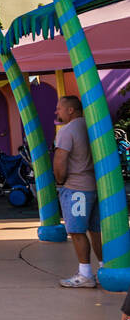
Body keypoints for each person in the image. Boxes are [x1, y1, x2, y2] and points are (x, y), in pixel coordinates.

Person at [53, 95, 103, 288]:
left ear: (70, 110)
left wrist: (60, 181)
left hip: (76, 189)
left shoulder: (67, 131)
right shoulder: (91, 126)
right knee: (96, 230)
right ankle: (104, 269)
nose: (56, 112)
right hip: (95, 186)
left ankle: (85, 274)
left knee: (76, 231)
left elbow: (60, 159)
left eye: (59, 108)